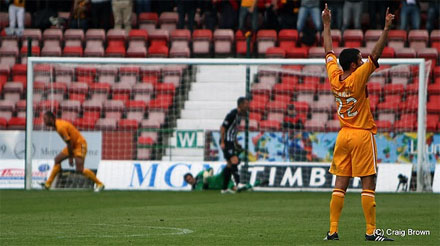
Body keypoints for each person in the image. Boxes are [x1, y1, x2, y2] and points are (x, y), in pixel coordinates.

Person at [322, 4, 394, 241]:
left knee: (339, 184)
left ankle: (333, 230)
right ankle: (371, 232)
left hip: (343, 136)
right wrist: (385, 29)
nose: (363, 62)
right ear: (353, 65)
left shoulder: (335, 77)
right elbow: (376, 54)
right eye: (360, 60)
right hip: (362, 134)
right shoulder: (357, 78)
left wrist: (326, 25)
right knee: (368, 182)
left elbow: (328, 51)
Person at [41, 111, 105, 192]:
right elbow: (69, 142)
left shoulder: (60, 127)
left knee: (80, 169)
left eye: (45, 119)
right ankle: (48, 184)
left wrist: (71, 158)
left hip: (79, 144)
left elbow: (69, 142)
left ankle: (100, 184)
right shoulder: (57, 125)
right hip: (72, 145)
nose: (44, 121)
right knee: (57, 160)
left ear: (51, 118)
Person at [219, 97, 249, 194]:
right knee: (234, 160)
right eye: (245, 104)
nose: (247, 106)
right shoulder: (232, 114)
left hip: (231, 141)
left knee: (229, 164)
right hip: (226, 141)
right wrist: (222, 142)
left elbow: (234, 130)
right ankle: (238, 183)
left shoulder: (241, 115)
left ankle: (224, 188)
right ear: (240, 105)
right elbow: (223, 128)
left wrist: (236, 142)